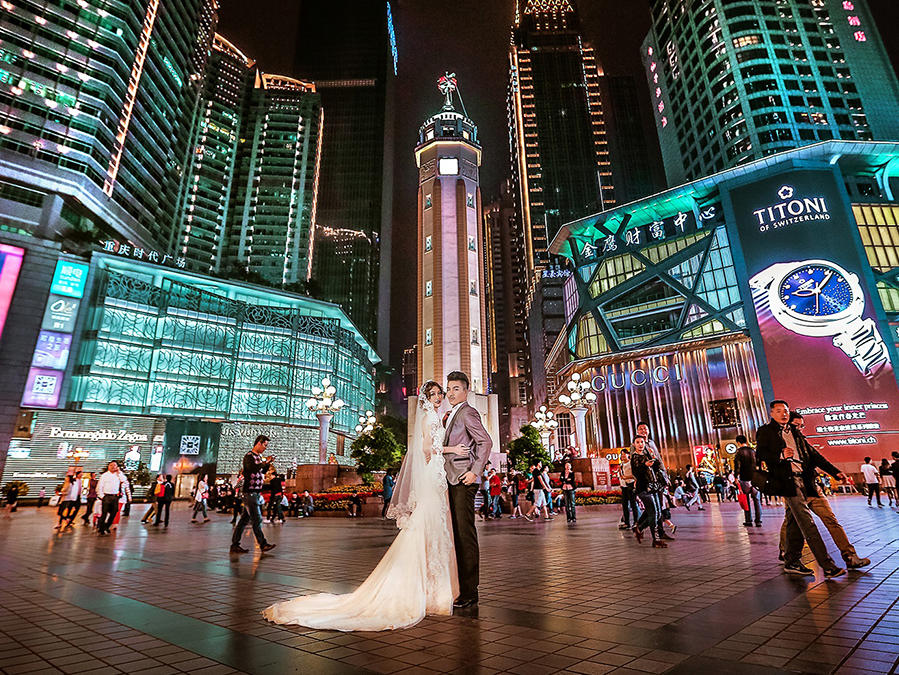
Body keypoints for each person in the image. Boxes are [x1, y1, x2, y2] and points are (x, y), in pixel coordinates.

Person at [262, 379, 462, 630]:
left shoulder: (436, 416)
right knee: (428, 527)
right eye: (434, 394)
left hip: (437, 476)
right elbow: (424, 448)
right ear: (425, 398)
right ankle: (429, 588)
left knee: (434, 528)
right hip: (433, 475)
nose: (438, 397)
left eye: (440, 393)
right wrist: (451, 448)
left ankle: (436, 588)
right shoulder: (428, 418)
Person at [756, 400, 846, 577]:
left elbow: (814, 456)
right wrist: (780, 455)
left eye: (786, 411)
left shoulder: (795, 433)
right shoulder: (766, 431)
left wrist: (835, 472)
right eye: (779, 411)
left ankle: (792, 561)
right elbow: (760, 454)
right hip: (788, 483)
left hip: (805, 481)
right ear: (772, 413)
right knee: (807, 523)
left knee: (793, 523)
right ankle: (827, 566)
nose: (784, 414)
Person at [231, 435, 277, 554]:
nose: (265, 448)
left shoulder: (258, 457)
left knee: (244, 520)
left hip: (255, 492)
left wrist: (267, 463)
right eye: (265, 445)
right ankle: (263, 544)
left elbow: (261, 471)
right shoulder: (249, 456)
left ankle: (235, 544)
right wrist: (264, 462)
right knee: (257, 519)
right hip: (249, 492)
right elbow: (252, 469)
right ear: (259, 443)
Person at [631, 435, 666, 548]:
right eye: (638, 442)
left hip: (654, 487)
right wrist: (644, 465)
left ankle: (639, 528)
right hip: (643, 489)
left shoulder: (647, 454)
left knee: (658, 512)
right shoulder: (635, 457)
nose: (640, 444)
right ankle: (656, 539)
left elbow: (656, 468)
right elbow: (636, 473)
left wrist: (653, 457)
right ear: (634, 445)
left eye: (642, 442)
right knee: (653, 513)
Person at [733, 435, 762, 527]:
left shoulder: (739, 452)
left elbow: (737, 466)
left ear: (738, 442)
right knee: (757, 500)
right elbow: (759, 464)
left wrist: (736, 477)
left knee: (746, 500)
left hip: (744, 479)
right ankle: (758, 521)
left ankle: (748, 520)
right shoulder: (753, 451)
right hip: (755, 479)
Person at [96, 462, 126, 535]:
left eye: (114, 465)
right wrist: (102, 496)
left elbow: (124, 480)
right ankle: (101, 528)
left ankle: (107, 526)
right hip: (106, 496)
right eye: (111, 465)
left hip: (115, 497)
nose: (113, 467)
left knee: (114, 512)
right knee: (104, 513)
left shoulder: (118, 475)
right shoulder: (104, 475)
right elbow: (99, 486)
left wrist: (119, 472)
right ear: (108, 466)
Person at [618, 450, 639, 529]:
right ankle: (627, 522)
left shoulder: (631, 463)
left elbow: (635, 475)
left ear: (628, 455)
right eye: (621, 454)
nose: (623, 456)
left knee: (633, 505)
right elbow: (621, 476)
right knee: (625, 505)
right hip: (624, 486)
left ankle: (636, 522)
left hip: (631, 485)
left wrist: (626, 477)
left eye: (624, 454)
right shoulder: (621, 464)